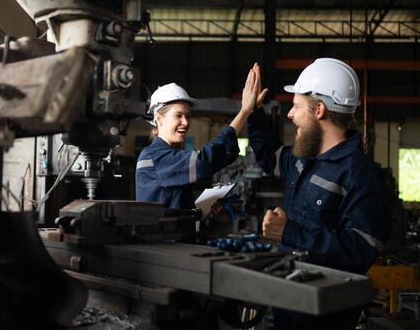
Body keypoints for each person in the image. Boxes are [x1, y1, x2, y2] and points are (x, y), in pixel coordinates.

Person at [248, 58, 390, 329]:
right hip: (288, 305)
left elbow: (360, 252)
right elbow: (271, 155)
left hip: (326, 317)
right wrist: (253, 112)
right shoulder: (305, 158)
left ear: (319, 110)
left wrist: (289, 233)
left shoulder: (360, 175)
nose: (290, 114)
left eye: (297, 106)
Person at [135, 67, 266, 209]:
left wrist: (200, 209)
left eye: (188, 116)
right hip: (161, 232)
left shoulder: (167, 154)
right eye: (178, 115)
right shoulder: (155, 156)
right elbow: (203, 161)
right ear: (159, 119)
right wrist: (244, 112)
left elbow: (171, 203)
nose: (185, 122)